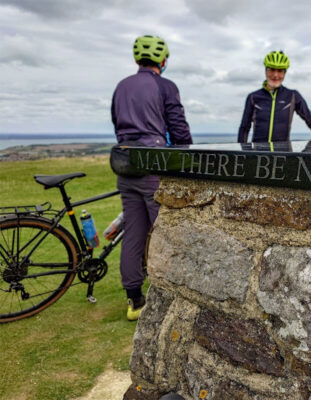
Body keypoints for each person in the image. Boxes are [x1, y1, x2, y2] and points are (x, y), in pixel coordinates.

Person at [111, 35, 192, 320]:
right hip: (152, 166)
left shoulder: (121, 86)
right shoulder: (165, 86)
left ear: (137, 60)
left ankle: (134, 300)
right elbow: (178, 129)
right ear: (163, 60)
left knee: (133, 231)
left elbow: (117, 124)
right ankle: (168, 294)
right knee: (165, 231)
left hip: (124, 165)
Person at [238, 51, 311, 143]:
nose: (275, 75)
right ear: (265, 71)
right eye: (272, 70)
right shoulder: (253, 97)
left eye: (280, 71)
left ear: (285, 73)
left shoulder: (293, 96)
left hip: (284, 155)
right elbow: (244, 127)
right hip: (259, 155)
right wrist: (239, 154)